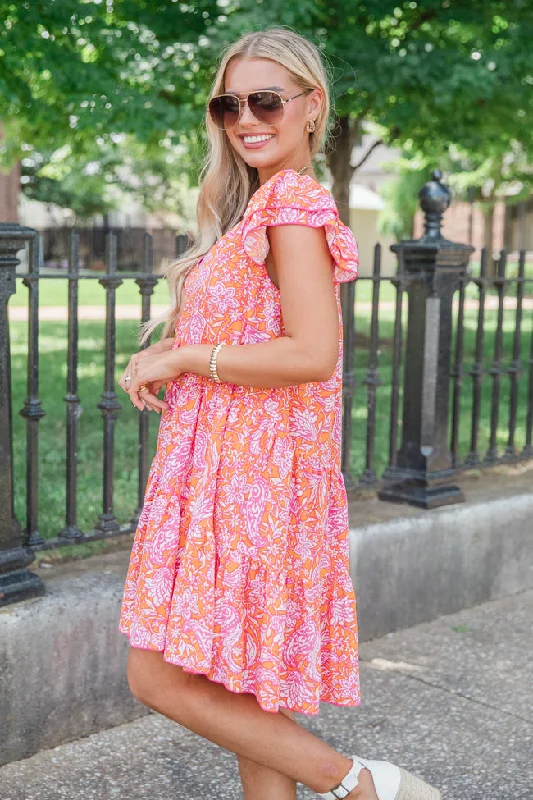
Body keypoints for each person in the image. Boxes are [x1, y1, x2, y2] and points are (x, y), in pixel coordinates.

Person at [117, 26, 441, 800]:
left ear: (309, 106)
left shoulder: (292, 204)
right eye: (228, 102)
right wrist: (161, 349)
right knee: (251, 691)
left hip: (254, 479)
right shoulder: (259, 204)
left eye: (265, 99)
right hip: (238, 475)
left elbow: (312, 354)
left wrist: (185, 358)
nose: (244, 117)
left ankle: (366, 786)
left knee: (156, 677)